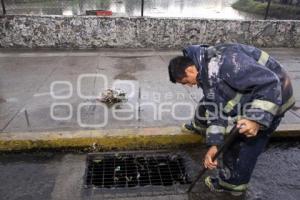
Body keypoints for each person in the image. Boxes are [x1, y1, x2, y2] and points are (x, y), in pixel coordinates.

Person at [168, 43, 294, 196]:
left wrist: (255, 119)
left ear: (190, 70)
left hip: (275, 96)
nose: (189, 86)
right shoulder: (207, 72)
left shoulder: (226, 62)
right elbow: (216, 110)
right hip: (254, 93)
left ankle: (233, 185)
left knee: (241, 143)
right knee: (208, 105)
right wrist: (214, 144)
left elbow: (269, 83)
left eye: (185, 82)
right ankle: (202, 128)